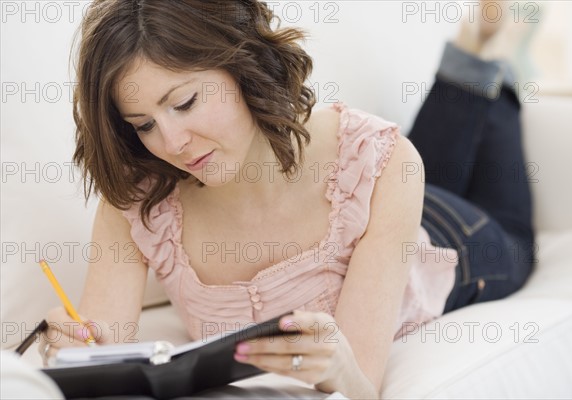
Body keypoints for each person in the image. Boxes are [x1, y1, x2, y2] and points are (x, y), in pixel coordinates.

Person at [40, 0, 536, 398]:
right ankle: (470, 58)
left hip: (451, 238)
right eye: (144, 125)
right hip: (383, 207)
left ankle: (497, 56)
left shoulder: (380, 161)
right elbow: (102, 355)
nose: (171, 144)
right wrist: (80, 349)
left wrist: (339, 365)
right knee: (413, 161)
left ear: (243, 67)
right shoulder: (139, 200)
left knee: (500, 222)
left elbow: (361, 386)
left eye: (185, 102)